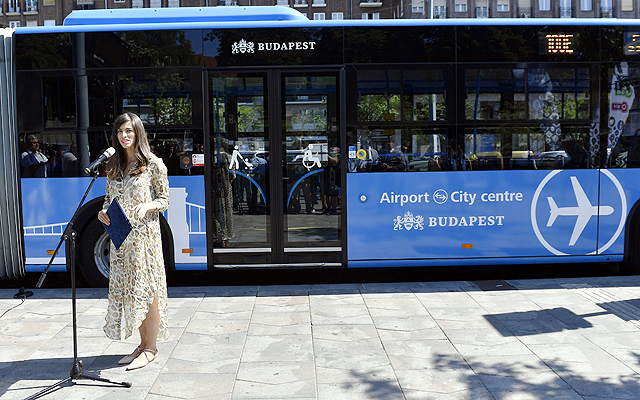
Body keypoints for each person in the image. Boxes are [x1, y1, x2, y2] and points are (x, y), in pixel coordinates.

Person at [97, 112, 170, 371]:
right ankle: (142, 344)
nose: (124, 136)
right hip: (121, 240)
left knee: (147, 292)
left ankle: (151, 349)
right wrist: (103, 212)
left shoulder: (154, 164)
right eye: (119, 132)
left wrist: (148, 205)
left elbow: (164, 200)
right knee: (131, 292)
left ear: (138, 133)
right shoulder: (114, 166)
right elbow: (109, 199)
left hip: (145, 241)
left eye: (128, 131)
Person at [213, 137, 234, 247]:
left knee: (216, 212)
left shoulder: (212, 156)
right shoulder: (228, 157)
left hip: (214, 188)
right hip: (226, 189)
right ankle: (226, 238)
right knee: (227, 212)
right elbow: (233, 175)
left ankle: (220, 238)